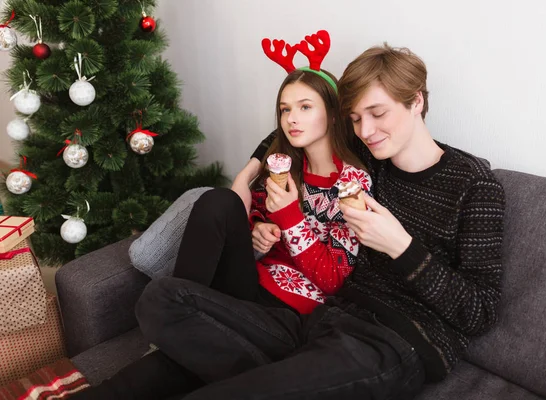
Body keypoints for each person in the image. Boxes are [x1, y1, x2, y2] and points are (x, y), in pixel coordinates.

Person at [120, 44, 506, 399]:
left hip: (392, 344)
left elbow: (480, 312)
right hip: (321, 321)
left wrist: (401, 247)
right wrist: (247, 174)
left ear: (416, 101)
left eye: (377, 113)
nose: (366, 130)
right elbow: (292, 127)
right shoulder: (371, 155)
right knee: (161, 298)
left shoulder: (474, 185)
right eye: (355, 118)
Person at [72, 30, 372, 399]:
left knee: (166, 368)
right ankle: (178, 320)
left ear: (333, 111)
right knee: (221, 202)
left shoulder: (352, 182)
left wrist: (291, 218)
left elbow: (333, 279)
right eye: (285, 109)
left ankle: (172, 332)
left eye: (305, 107)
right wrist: (258, 224)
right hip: (247, 288)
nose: (292, 118)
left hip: (288, 315)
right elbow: (245, 221)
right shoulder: (284, 164)